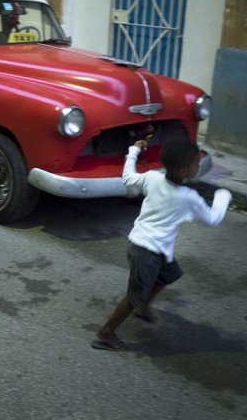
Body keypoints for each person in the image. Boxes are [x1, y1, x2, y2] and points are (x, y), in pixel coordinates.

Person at [93, 137, 232, 351]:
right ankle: (106, 332)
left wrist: (133, 152)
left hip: (150, 248)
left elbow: (129, 179)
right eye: (196, 163)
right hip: (146, 253)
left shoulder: (152, 178)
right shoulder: (188, 197)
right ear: (185, 170)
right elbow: (212, 219)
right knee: (133, 297)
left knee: (169, 274)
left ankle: (144, 307)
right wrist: (223, 196)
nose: (198, 166)